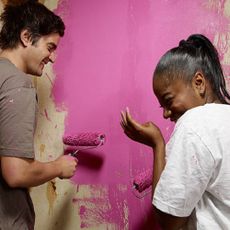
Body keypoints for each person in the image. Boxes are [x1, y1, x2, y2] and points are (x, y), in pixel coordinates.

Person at [121, 34, 230, 229]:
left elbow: (169, 220)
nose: (165, 114)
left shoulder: (194, 124)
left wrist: (157, 144)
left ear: (199, 83)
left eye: (168, 100)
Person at [0, 1, 77, 229]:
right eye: (50, 47)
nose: (52, 58)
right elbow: (16, 172)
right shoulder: (17, 85)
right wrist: (59, 167)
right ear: (26, 37)